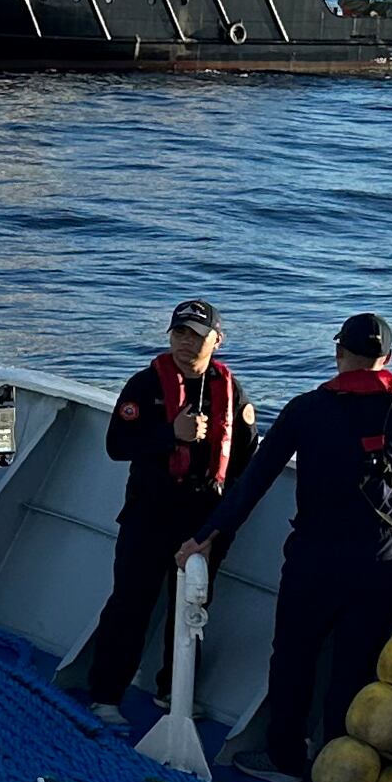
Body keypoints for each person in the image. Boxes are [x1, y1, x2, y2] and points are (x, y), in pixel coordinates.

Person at [182, 312, 392, 782]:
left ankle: (284, 759)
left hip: (315, 560)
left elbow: (252, 483)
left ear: (339, 352)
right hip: (379, 562)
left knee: (295, 658)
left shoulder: (306, 409)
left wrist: (206, 535)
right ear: (389, 359)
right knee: (356, 664)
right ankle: (337, 768)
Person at [76, 298, 259, 710]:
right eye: (180, 333)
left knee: (192, 608)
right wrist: (170, 435)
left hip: (202, 522)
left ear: (217, 340)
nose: (187, 344)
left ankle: (173, 692)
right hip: (149, 514)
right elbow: (116, 445)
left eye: (197, 336)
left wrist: (218, 529)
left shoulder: (232, 393)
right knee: (130, 602)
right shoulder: (144, 385)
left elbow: (247, 464)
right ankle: (105, 695)